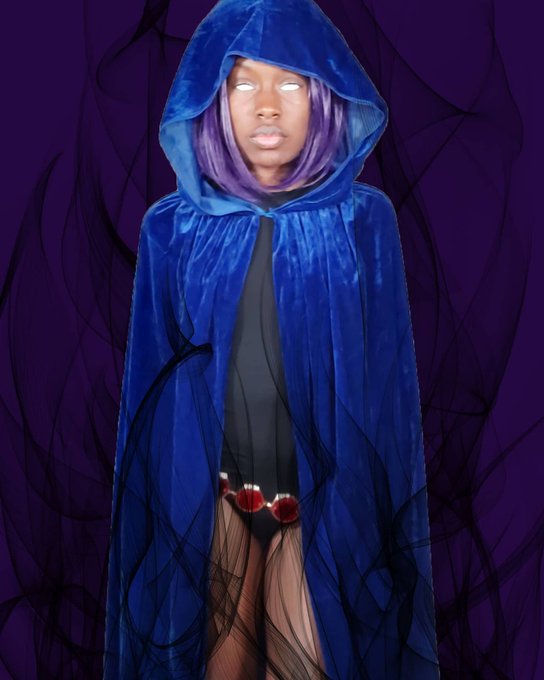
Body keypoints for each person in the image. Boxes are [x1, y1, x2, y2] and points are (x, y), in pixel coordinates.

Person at [103, 1, 440, 679]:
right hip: (217, 499)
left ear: (323, 95)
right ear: (212, 98)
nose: (266, 106)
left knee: (309, 661)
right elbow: (150, 401)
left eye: (289, 82)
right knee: (213, 662)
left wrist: (368, 525)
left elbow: (389, 397)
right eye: (242, 83)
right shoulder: (173, 229)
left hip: (320, 504)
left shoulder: (362, 222)